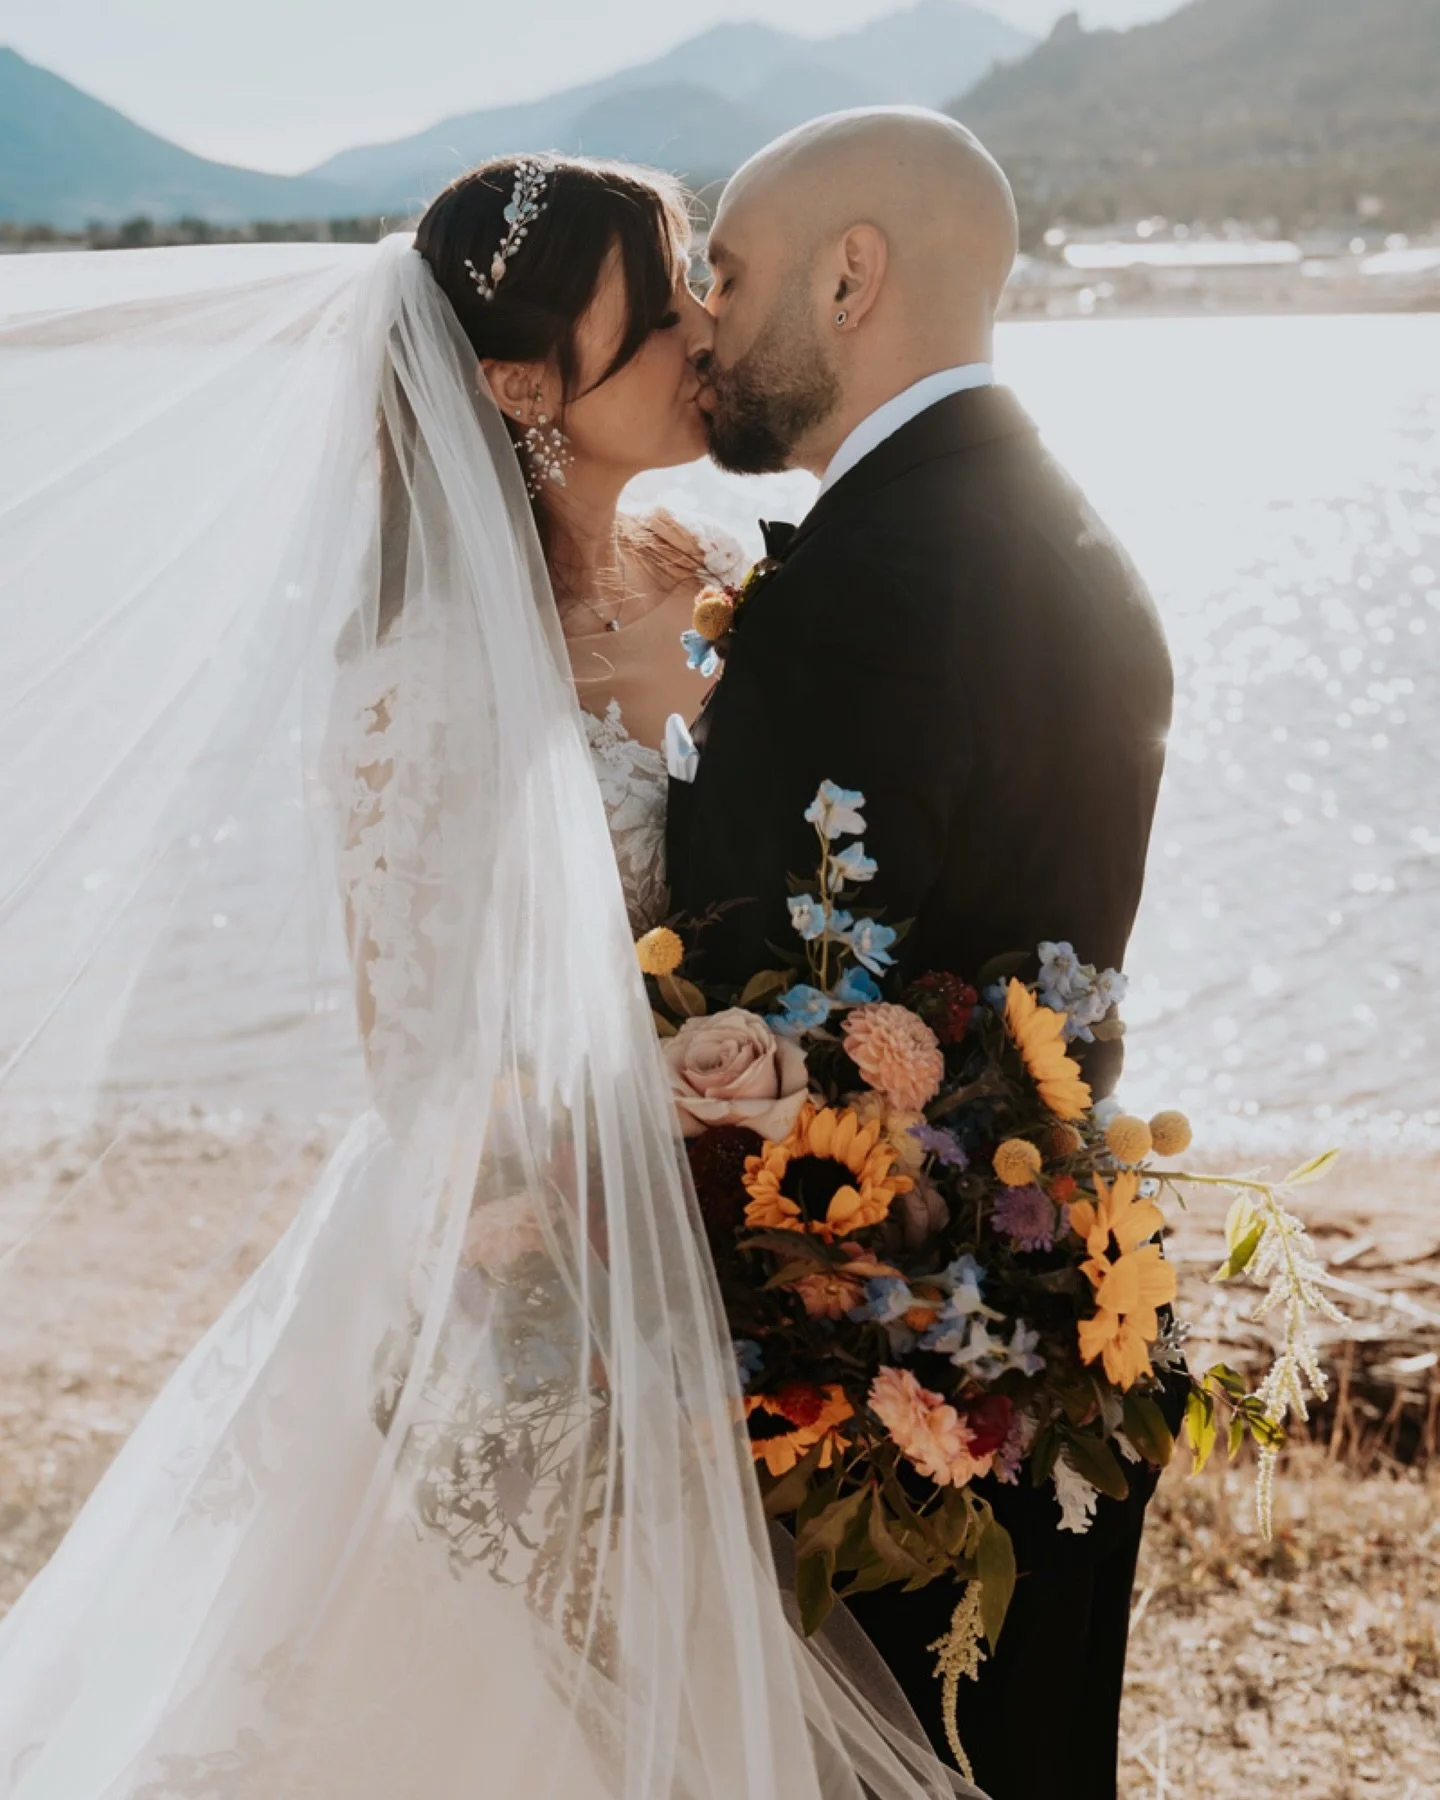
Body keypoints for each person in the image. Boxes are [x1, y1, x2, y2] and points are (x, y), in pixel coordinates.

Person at [0, 157, 980, 1798]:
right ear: (522, 382)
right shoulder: (422, 677)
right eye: (655, 299)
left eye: (691, 276)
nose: (698, 320)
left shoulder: (701, 574)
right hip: (529, 1259)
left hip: (718, 1229)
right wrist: (622, 1183)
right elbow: (422, 1064)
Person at [667, 108, 1180, 1800]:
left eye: (724, 277)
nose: (700, 326)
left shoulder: (863, 592)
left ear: (849, 274)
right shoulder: (1085, 542)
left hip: (868, 1388)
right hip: (1044, 1325)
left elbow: (746, 998)